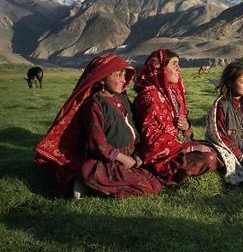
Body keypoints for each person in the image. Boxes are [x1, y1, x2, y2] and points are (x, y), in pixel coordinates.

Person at [34, 54, 162, 197]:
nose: (123, 80)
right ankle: (86, 182)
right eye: (118, 76)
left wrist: (137, 153)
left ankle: (101, 185)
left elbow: (135, 128)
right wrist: (123, 159)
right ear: (101, 78)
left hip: (131, 156)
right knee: (94, 172)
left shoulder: (123, 98)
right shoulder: (94, 105)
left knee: (154, 183)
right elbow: (98, 144)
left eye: (124, 76)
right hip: (108, 161)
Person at [133, 49, 219, 185]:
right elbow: (152, 141)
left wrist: (187, 127)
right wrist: (188, 148)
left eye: (178, 64)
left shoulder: (174, 93)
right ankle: (171, 175)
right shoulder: (149, 98)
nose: (179, 69)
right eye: (174, 64)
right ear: (160, 68)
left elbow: (185, 132)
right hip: (163, 157)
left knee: (217, 149)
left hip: (178, 147)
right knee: (209, 158)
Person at [205, 60, 243, 184]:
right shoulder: (220, 106)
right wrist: (241, 156)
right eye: (242, 82)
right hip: (226, 152)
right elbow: (219, 136)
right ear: (230, 83)